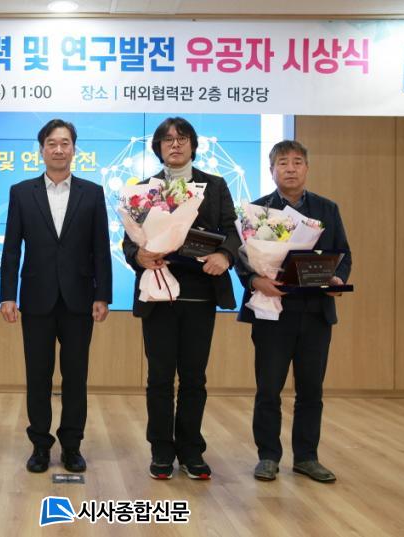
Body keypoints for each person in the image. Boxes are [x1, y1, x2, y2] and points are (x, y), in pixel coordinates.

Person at [122, 117, 241, 480]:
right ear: (158, 147)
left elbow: (233, 232)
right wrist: (139, 256)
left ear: (193, 145)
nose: (175, 145)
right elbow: (129, 241)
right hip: (158, 291)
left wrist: (225, 256)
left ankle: (191, 450)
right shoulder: (143, 189)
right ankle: (161, 449)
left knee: (194, 378)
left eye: (182, 138)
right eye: (168, 139)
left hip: (200, 294)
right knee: (159, 377)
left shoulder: (215, 185)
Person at [0, 119, 112, 474]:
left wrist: (103, 294)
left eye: (65, 143)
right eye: (52, 143)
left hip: (80, 298)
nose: (59, 149)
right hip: (37, 297)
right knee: (38, 375)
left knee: (76, 376)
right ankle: (39, 446)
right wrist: (7, 295)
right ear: (42, 150)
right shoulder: (21, 192)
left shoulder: (92, 193)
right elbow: (11, 248)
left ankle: (72, 446)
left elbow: (100, 248)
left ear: (74, 149)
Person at [236, 140, 352, 483]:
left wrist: (337, 277)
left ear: (306, 168)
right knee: (268, 389)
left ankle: (306, 457)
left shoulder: (327, 208)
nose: (290, 168)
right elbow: (241, 259)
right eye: (283, 163)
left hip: (315, 312)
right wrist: (255, 280)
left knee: (311, 390)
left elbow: (343, 253)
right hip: (272, 311)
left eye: (297, 162)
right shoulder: (257, 211)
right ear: (271, 170)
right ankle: (268, 456)